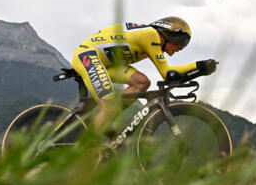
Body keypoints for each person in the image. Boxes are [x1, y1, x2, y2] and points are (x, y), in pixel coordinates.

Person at [71, 17, 217, 134]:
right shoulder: (151, 35)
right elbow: (168, 74)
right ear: (168, 35)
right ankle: (84, 152)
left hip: (107, 64)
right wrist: (199, 66)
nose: (180, 48)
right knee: (109, 107)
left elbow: (169, 73)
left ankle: (105, 120)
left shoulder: (151, 39)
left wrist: (201, 69)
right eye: (180, 42)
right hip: (88, 56)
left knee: (142, 83)